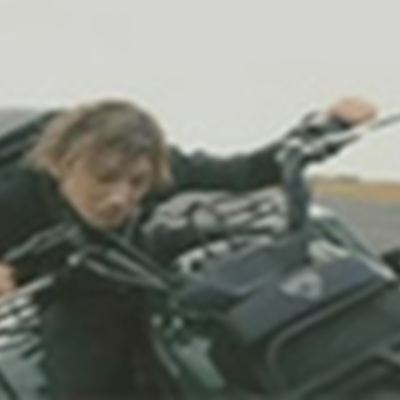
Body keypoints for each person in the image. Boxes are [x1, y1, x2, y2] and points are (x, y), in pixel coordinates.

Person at [0, 97, 377, 399]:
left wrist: (330, 126)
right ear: (61, 163)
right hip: (71, 287)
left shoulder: (161, 170)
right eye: (104, 178)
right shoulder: (16, 196)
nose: (120, 198)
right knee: (85, 384)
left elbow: (243, 171)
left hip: (144, 258)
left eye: (136, 183)